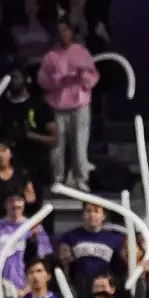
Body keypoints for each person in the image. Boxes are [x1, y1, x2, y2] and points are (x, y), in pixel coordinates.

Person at [37, 20, 99, 188]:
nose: (63, 34)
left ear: (71, 32)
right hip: (58, 106)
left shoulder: (82, 52)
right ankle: (58, 179)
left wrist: (81, 76)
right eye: (59, 30)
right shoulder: (51, 56)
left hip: (79, 105)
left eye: (66, 30)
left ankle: (80, 179)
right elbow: (42, 80)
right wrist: (59, 80)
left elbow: (93, 77)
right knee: (57, 145)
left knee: (80, 145)